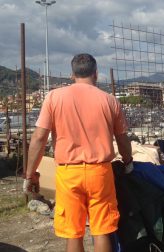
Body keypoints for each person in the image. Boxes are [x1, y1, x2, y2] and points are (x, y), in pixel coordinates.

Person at [23, 53, 133, 252]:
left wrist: (30, 174)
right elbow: (122, 139)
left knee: (73, 233)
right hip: (100, 173)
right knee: (101, 231)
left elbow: (38, 138)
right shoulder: (109, 100)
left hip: (68, 173)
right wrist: (128, 161)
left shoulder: (54, 97)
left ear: (72, 74)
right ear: (96, 74)